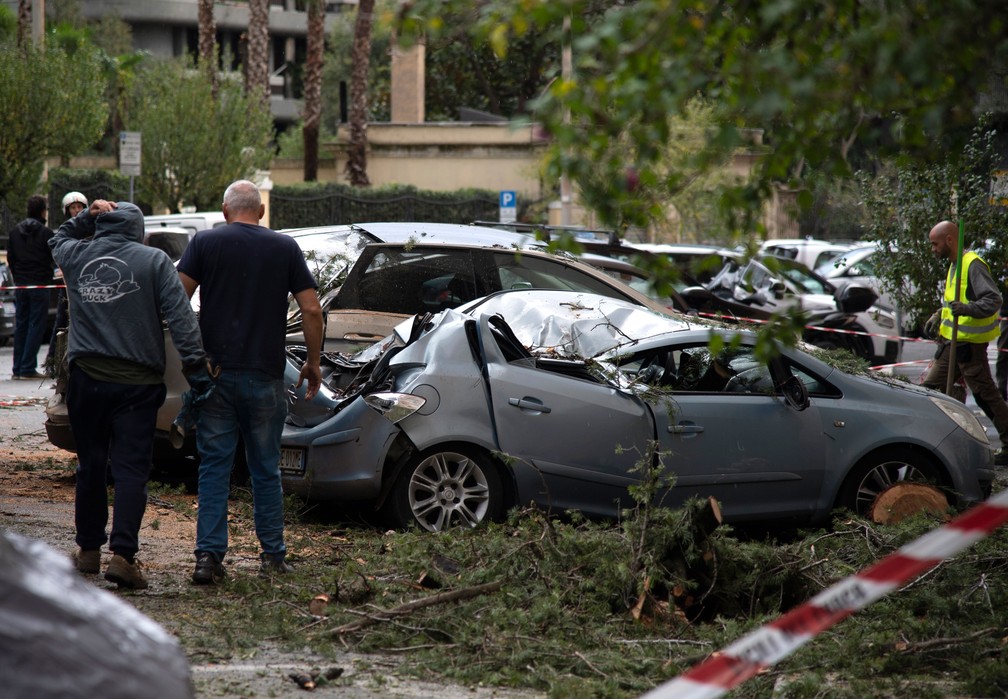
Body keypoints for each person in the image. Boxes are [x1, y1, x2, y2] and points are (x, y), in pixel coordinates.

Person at [49, 199, 208, 589]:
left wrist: (85, 217)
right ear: (137, 230)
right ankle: (122, 556)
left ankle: (88, 550)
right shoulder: (154, 261)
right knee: (131, 469)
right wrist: (196, 369)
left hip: (87, 380)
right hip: (137, 385)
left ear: (101, 226)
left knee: (90, 465)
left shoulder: (77, 255)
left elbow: (57, 238)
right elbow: (181, 318)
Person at [177, 179, 322, 585]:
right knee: (265, 469)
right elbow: (311, 310)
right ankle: (273, 557)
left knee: (214, 467)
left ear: (225, 212)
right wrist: (312, 363)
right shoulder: (285, 247)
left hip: (216, 375)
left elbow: (176, 299)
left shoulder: (205, 243)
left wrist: (193, 356)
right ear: (261, 212)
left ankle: (208, 559)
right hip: (265, 375)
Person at [921, 220, 1008, 465]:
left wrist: (967, 309)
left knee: (985, 396)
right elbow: (956, 301)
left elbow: (992, 300)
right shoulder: (954, 265)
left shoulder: (972, 264)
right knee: (928, 389)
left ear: (950, 240)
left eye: (935, 244)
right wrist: (940, 314)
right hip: (951, 345)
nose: (933, 249)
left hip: (969, 347)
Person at [7, 194, 54, 380]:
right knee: (36, 326)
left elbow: (11, 259)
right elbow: (52, 259)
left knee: (21, 325)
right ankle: (27, 368)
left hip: (21, 285)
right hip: (39, 285)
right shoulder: (46, 234)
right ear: (43, 211)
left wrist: (18, 277)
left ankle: (17, 368)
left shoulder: (14, 233)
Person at [44, 191, 88, 375]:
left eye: (80, 207)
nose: (76, 210)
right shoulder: (66, 232)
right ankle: (53, 364)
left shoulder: (91, 229)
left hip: (86, 283)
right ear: (67, 211)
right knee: (61, 321)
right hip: (68, 284)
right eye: (73, 208)